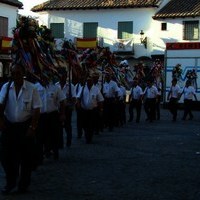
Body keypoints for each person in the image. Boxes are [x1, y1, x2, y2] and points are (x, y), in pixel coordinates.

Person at [0, 63, 42, 194]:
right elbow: (0, 105)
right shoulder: (6, 88)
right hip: (9, 127)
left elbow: (36, 109)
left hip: (25, 127)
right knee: (6, 157)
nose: (15, 76)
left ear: (23, 73)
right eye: (13, 73)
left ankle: (23, 184)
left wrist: (32, 127)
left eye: (18, 73)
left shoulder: (31, 88)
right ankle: (10, 182)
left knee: (26, 158)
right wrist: (0, 121)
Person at [76, 75, 104, 144]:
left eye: (90, 81)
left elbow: (100, 100)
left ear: (92, 82)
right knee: (85, 125)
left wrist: (101, 109)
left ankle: (89, 137)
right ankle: (87, 136)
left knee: (91, 125)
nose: (89, 82)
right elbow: (78, 98)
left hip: (93, 111)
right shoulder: (82, 88)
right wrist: (79, 104)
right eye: (88, 81)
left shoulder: (96, 89)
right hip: (84, 111)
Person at [55, 68, 76, 147]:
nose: (62, 77)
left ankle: (68, 141)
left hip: (67, 108)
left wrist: (71, 103)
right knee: (58, 127)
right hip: (58, 109)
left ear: (66, 76)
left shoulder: (71, 86)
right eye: (61, 75)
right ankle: (60, 143)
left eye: (64, 75)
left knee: (67, 126)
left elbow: (74, 98)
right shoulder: (56, 85)